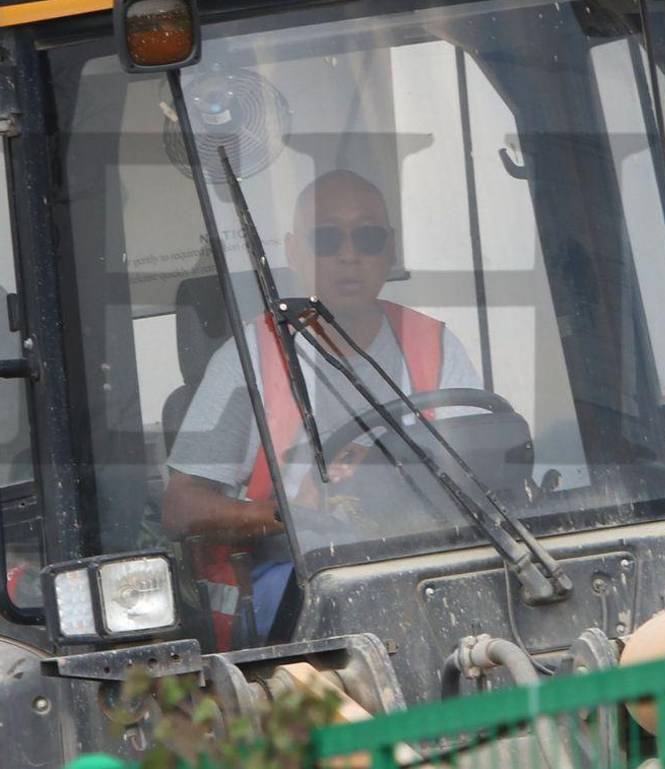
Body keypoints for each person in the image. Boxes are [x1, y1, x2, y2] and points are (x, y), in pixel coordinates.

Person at [163, 169, 481, 646]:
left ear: (390, 251)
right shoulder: (251, 355)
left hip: (426, 566)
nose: (348, 255)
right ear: (294, 252)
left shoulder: (435, 343)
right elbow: (180, 504)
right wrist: (284, 516)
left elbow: (478, 469)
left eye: (368, 238)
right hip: (294, 583)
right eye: (327, 238)